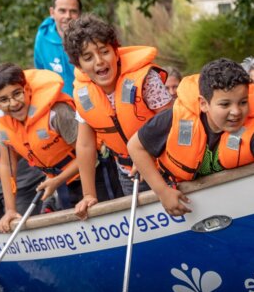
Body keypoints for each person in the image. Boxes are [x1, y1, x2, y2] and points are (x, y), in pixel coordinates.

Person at [127, 58, 254, 217]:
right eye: (225, 104)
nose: (236, 112)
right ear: (204, 104)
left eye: (243, 102)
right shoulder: (174, 118)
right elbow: (135, 147)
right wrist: (162, 192)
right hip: (179, 197)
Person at [63, 14, 173, 220]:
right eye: (88, 58)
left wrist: (146, 159)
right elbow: (85, 146)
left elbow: (172, 123)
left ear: (116, 51)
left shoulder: (146, 79)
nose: (99, 61)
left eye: (104, 52)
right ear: (78, 66)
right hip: (128, 174)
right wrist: (88, 195)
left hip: (165, 167)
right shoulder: (84, 94)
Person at [0, 64, 109, 233]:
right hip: (59, 183)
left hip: (96, 175)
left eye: (17, 94)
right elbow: (7, 167)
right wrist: (10, 210)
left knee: (99, 226)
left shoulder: (57, 112)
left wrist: (59, 180)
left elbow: (90, 154)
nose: (13, 103)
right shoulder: (4, 124)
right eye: (4, 100)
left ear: (27, 89)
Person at [34, 0, 82, 97]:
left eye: (73, 11)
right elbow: (40, 73)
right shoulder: (42, 37)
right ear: (52, 12)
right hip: (58, 101)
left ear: (79, 14)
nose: (68, 16)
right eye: (62, 11)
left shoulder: (88, 37)